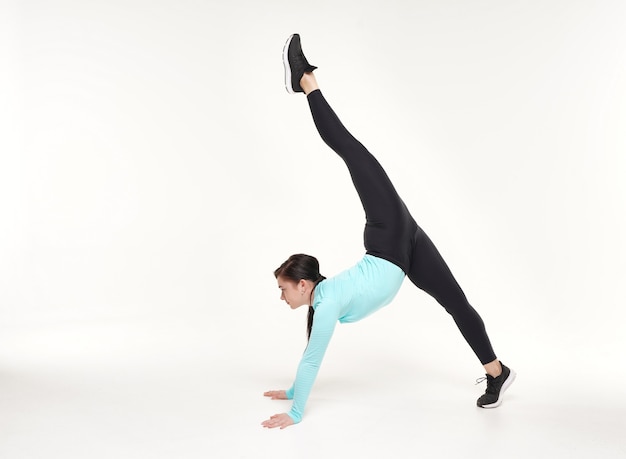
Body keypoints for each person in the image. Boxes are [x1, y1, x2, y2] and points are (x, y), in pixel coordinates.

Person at [261, 34, 515, 430]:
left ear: (305, 284)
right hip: (405, 245)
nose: (281, 295)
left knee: (348, 147)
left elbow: (312, 358)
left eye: (283, 287)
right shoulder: (322, 304)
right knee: (457, 303)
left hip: (389, 234)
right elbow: (311, 352)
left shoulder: (324, 304)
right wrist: (294, 392)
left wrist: (295, 413)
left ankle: (305, 79)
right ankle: (497, 371)